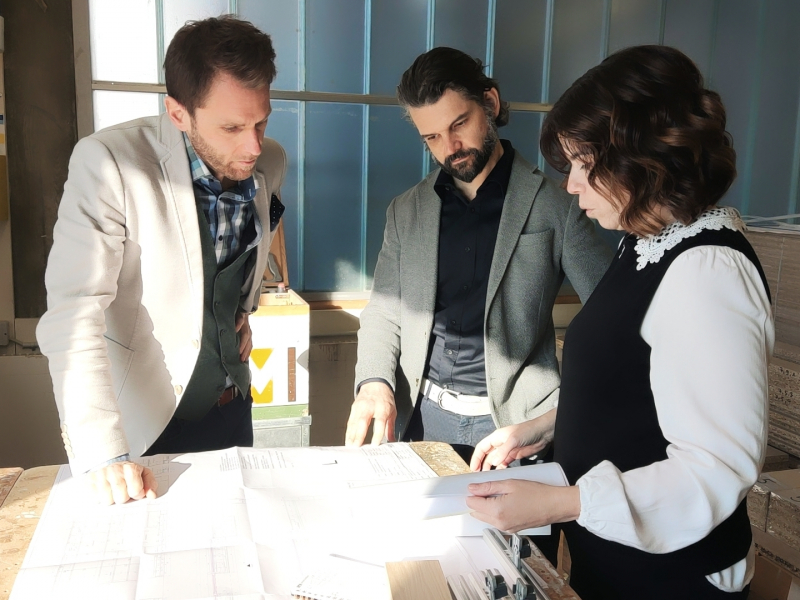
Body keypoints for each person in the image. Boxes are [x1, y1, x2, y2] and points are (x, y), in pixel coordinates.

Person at [467, 45, 774, 600]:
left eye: (585, 164)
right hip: (617, 560)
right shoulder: (645, 243)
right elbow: (635, 394)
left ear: (646, 158)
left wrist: (561, 502)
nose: (571, 185)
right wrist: (543, 428)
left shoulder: (707, 271)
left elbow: (715, 468)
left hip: (672, 579)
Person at [36, 16, 286, 505]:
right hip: (144, 423)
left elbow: (243, 255)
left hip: (234, 406)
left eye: (261, 121)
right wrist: (103, 452)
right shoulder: (109, 162)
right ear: (178, 113)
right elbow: (72, 312)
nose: (253, 146)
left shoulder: (271, 161)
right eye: (232, 127)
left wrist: (241, 312)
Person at [346, 47, 612, 463]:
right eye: (432, 138)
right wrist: (374, 382)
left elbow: (612, 313)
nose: (450, 147)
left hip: (517, 425)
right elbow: (383, 310)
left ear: (490, 103)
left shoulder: (556, 208)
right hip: (421, 417)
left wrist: (567, 408)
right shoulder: (406, 210)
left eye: (459, 124)